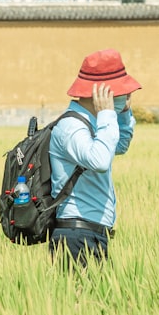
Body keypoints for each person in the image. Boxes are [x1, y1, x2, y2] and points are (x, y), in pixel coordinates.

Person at [49, 49, 140, 266]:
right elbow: (99, 161)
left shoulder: (91, 122)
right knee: (79, 299)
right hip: (76, 234)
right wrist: (108, 114)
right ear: (101, 94)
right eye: (120, 92)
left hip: (92, 233)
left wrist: (123, 113)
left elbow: (119, 146)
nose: (125, 96)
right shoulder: (71, 127)